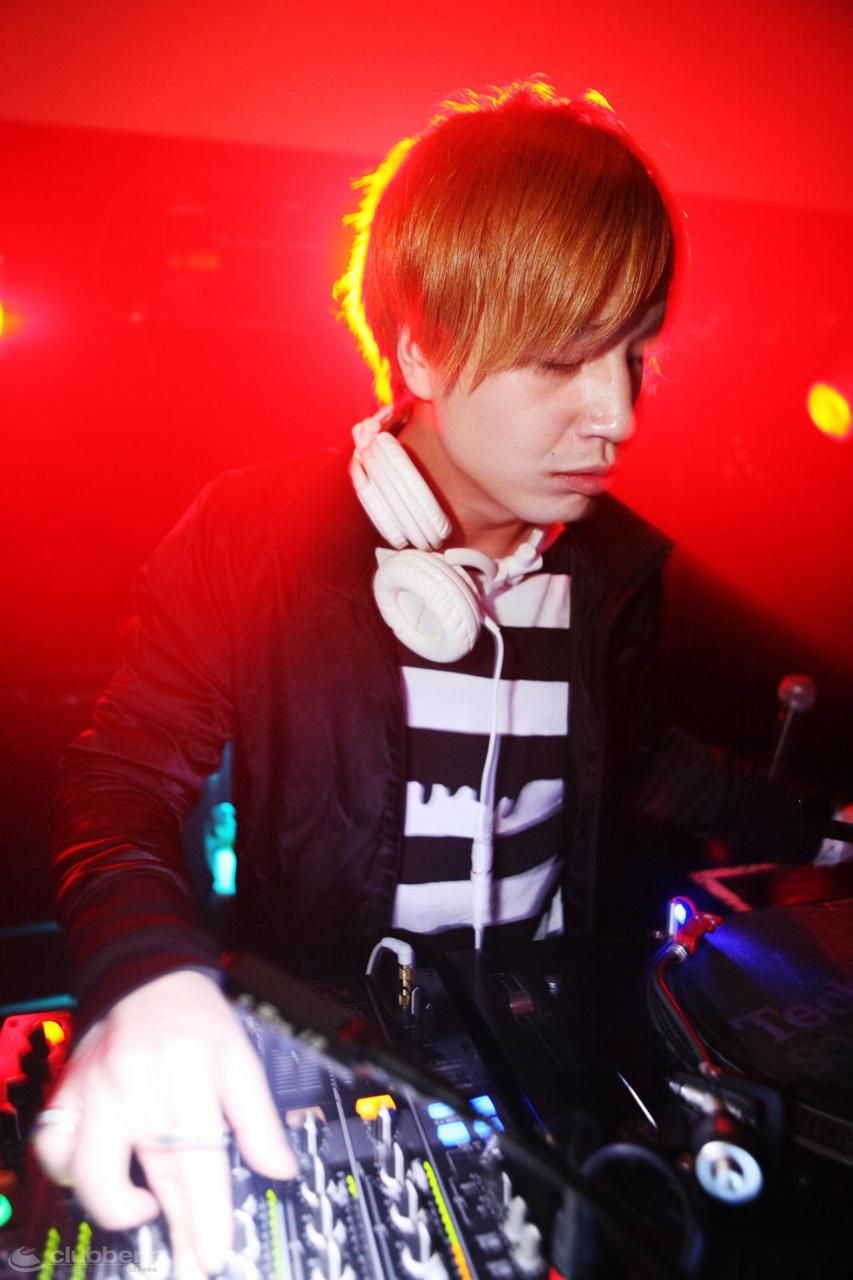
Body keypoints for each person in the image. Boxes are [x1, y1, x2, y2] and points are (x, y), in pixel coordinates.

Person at [34, 80, 805, 1278]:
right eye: (559, 359)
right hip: (334, 1045)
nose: (615, 414)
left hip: (558, 1059)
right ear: (418, 349)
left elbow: (643, 754)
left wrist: (820, 825)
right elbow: (123, 775)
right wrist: (147, 968)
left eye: (635, 354)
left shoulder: (613, 570)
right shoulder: (255, 538)